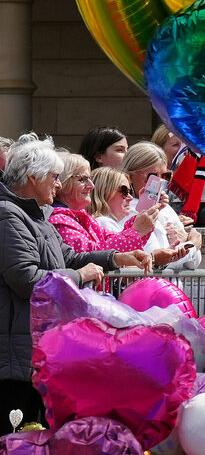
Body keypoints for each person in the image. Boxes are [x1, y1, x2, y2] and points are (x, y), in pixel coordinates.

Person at [0, 133, 151, 435]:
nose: (57, 185)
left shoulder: (37, 215)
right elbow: (27, 279)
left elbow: (69, 256)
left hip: (38, 350)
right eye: (54, 177)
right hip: (16, 357)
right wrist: (81, 276)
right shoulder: (8, 215)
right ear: (33, 177)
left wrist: (117, 258)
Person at [48, 154, 186, 266]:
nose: (91, 186)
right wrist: (139, 233)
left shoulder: (81, 217)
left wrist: (144, 218)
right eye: (82, 179)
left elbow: (112, 239)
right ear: (63, 182)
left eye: (89, 179)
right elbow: (94, 255)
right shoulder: (59, 219)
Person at [120, 142, 203, 270]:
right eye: (152, 176)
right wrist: (191, 244)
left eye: (165, 176)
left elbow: (193, 263)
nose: (160, 182)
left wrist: (184, 242)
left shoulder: (168, 210)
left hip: (173, 286)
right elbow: (155, 260)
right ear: (130, 176)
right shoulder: (126, 209)